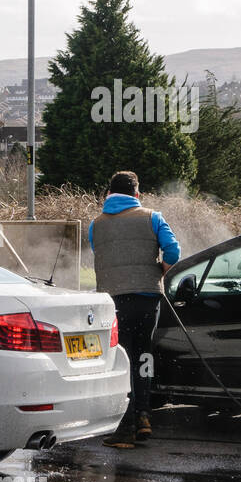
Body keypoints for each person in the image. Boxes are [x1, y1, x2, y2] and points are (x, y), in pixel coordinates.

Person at [89, 171, 179, 448]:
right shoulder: (153, 217)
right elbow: (173, 252)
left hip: (113, 300)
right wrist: (157, 273)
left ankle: (124, 426)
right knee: (143, 356)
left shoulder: (96, 225)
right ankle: (143, 417)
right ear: (137, 194)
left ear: (109, 194)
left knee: (121, 359)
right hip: (147, 298)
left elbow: (99, 253)